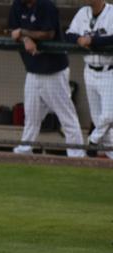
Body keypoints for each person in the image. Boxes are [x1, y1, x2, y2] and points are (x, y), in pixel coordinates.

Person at [8, 0, 86, 157]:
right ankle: (25, 149)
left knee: (66, 116)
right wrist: (25, 39)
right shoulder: (18, 5)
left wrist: (23, 33)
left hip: (54, 71)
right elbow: (13, 31)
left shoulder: (46, 5)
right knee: (31, 116)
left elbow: (48, 34)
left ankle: (77, 154)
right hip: (33, 71)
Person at [66, 0, 113, 159]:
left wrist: (93, 41)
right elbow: (69, 34)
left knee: (108, 115)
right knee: (97, 118)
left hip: (109, 71)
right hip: (89, 71)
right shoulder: (82, 13)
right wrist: (79, 39)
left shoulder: (111, 12)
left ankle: (93, 139)